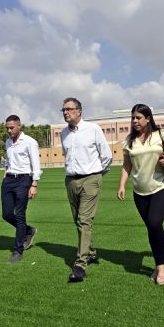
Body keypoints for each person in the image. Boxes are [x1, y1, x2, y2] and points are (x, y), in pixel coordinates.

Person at [117, 104, 164, 286]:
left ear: (148, 118)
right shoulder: (129, 141)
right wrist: (122, 184)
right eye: (133, 118)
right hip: (139, 191)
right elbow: (127, 165)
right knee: (152, 228)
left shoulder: (162, 135)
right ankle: (159, 262)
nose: (135, 121)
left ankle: (162, 266)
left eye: (138, 118)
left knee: (154, 222)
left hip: (162, 186)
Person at [60, 97, 112, 282]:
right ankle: (91, 252)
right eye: (63, 110)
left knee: (84, 220)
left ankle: (80, 265)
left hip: (90, 179)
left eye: (69, 109)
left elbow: (106, 155)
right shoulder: (63, 133)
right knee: (78, 220)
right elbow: (68, 156)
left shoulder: (93, 129)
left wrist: (96, 176)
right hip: (71, 181)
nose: (65, 112)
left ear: (79, 111)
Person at [1, 115, 42, 264]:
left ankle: (18, 251)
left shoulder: (30, 142)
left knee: (19, 215)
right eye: (7, 128)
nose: (9, 130)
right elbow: (8, 160)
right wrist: (5, 173)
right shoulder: (8, 142)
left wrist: (34, 185)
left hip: (24, 180)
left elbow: (36, 164)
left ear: (20, 126)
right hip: (9, 180)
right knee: (6, 214)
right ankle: (29, 230)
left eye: (12, 127)